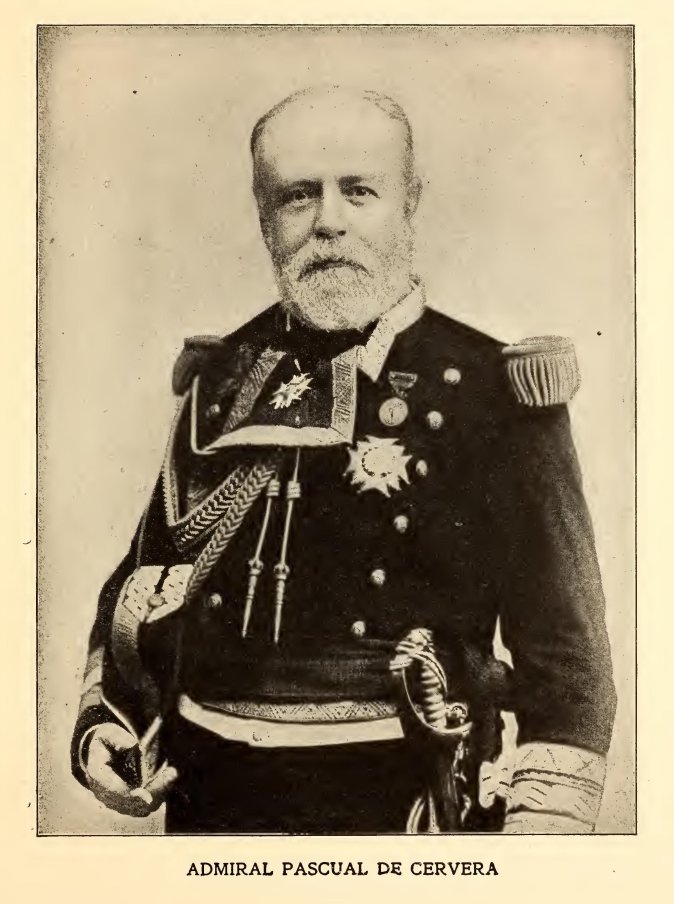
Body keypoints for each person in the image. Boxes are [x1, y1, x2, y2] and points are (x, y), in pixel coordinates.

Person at [71, 85, 616, 834]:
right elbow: (148, 572)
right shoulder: (222, 376)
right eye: (298, 196)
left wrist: (544, 835)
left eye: (358, 191)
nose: (328, 221)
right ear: (264, 214)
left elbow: (566, 653)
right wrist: (109, 720)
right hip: (211, 794)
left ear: (409, 202)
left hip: (406, 795)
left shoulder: (492, 391)